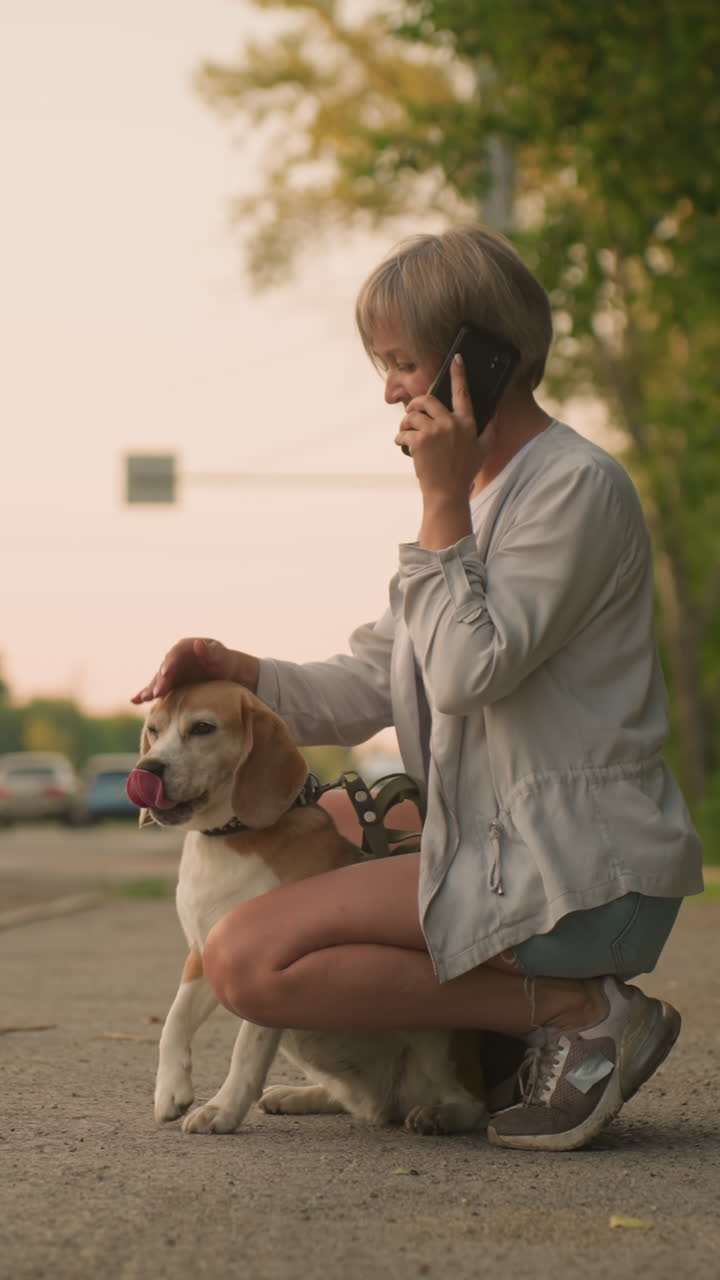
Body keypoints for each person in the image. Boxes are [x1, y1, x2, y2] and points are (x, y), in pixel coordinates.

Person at [132, 225, 703, 1151]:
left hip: (581, 876)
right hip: (492, 861)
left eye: (403, 362)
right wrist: (246, 672)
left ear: (482, 357)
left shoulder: (575, 489)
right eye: (383, 364)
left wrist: (440, 512)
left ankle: (581, 1010)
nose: (390, 389)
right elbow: (370, 678)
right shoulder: (475, 506)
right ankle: (524, 1027)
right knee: (284, 918)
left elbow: (470, 672)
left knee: (248, 956)